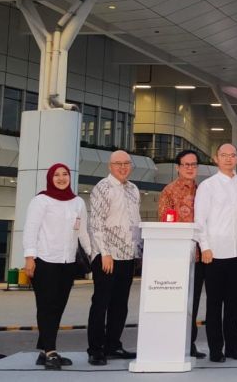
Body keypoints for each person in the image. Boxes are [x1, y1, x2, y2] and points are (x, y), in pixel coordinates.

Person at [22, 163, 91, 370]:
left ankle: (46, 352)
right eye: (57, 175)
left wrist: (91, 254)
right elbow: (30, 230)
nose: (61, 178)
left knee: (58, 306)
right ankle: (51, 351)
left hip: (67, 263)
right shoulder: (41, 201)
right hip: (44, 261)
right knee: (46, 306)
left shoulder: (78, 202)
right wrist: (29, 257)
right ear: (50, 178)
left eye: (65, 174)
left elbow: (82, 232)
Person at [194, 144, 237, 363]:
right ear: (216, 158)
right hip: (214, 253)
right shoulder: (208, 186)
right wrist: (205, 246)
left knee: (234, 304)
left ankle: (233, 348)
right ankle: (216, 349)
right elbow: (200, 221)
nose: (228, 159)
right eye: (224, 155)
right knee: (214, 305)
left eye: (232, 155)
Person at [86, 150, 141, 366]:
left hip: (127, 255)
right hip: (107, 256)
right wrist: (105, 253)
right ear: (110, 166)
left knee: (120, 304)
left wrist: (139, 251)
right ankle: (96, 349)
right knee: (101, 303)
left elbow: (135, 223)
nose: (123, 167)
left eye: (126, 163)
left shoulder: (134, 189)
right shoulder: (103, 187)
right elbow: (96, 223)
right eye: (118, 163)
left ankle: (113, 345)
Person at [156, 149, 207, 359]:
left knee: (193, 303)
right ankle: (173, 341)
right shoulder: (169, 191)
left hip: (201, 254)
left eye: (193, 165)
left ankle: (190, 343)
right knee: (176, 301)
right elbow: (166, 222)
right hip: (178, 257)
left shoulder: (203, 190)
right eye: (186, 165)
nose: (190, 168)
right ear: (178, 167)